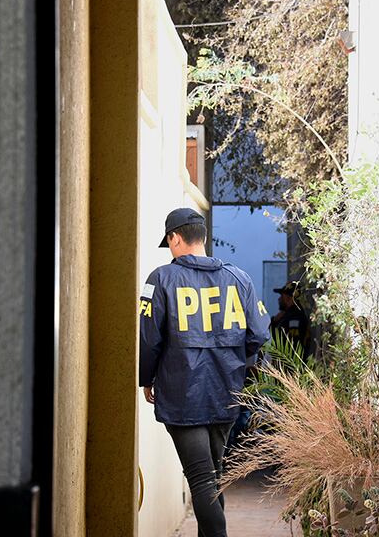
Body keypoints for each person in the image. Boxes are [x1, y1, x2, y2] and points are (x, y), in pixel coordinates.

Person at [139, 207, 271, 537]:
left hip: (182, 395)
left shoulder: (161, 279)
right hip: (225, 393)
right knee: (213, 476)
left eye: (169, 242)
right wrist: (235, 365)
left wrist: (146, 377)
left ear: (175, 238)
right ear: (204, 237)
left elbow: (148, 338)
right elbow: (258, 334)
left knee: (201, 480)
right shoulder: (239, 278)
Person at [269, 280, 318, 359]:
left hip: (291, 364)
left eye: (282, 296)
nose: (279, 299)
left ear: (289, 298)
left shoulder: (295, 318)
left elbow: (292, 345)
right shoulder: (286, 316)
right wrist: (274, 321)